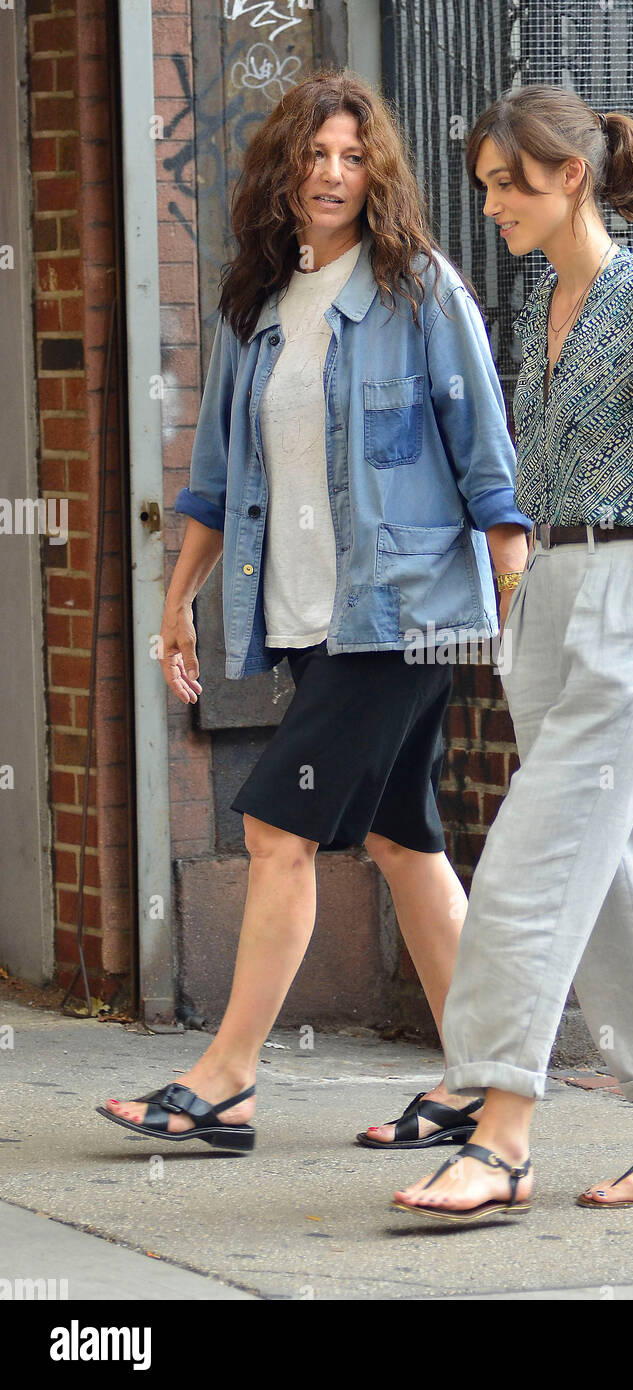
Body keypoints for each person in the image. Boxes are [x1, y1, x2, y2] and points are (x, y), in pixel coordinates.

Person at [96, 70, 532, 1153]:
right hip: (300, 616)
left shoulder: (420, 291)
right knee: (402, 840)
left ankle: (227, 1079)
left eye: (352, 156)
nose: (333, 174)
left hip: (407, 614)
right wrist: (178, 603)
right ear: (284, 171)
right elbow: (212, 479)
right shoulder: (253, 306)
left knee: (276, 823)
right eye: (315, 154)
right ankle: (481, 1081)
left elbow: (489, 464)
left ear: (373, 171)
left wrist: (518, 598)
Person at [393, 86, 633, 1221]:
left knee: (527, 866)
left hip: (628, 596)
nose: (489, 205)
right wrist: (525, 589)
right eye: (484, 184)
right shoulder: (542, 298)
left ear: (568, 176)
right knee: (619, 871)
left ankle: (500, 1132)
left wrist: (631, 609)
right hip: (547, 600)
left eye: (507, 183)